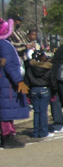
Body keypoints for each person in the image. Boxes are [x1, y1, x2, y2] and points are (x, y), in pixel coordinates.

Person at [0, 18, 29, 148]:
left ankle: (8, 135)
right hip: (6, 83)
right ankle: (8, 136)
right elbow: (10, 65)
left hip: (5, 82)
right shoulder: (4, 44)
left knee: (6, 110)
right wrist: (19, 81)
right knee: (6, 112)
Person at [25, 50, 56, 139]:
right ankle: (43, 132)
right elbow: (53, 81)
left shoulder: (30, 68)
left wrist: (27, 94)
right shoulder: (48, 68)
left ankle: (36, 132)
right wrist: (54, 92)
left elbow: (26, 82)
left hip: (34, 90)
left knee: (36, 112)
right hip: (45, 89)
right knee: (43, 112)